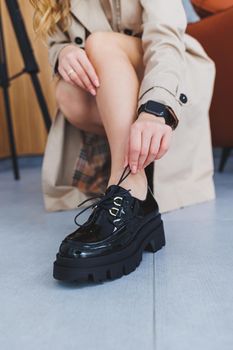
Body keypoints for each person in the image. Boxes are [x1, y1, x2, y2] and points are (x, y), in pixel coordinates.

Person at [30, 0, 216, 283]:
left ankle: (129, 187)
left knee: (100, 44)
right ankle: (134, 175)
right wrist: (63, 52)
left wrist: (155, 108)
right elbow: (58, 42)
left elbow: (165, 39)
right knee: (68, 93)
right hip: (112, 80)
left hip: (170, 72)